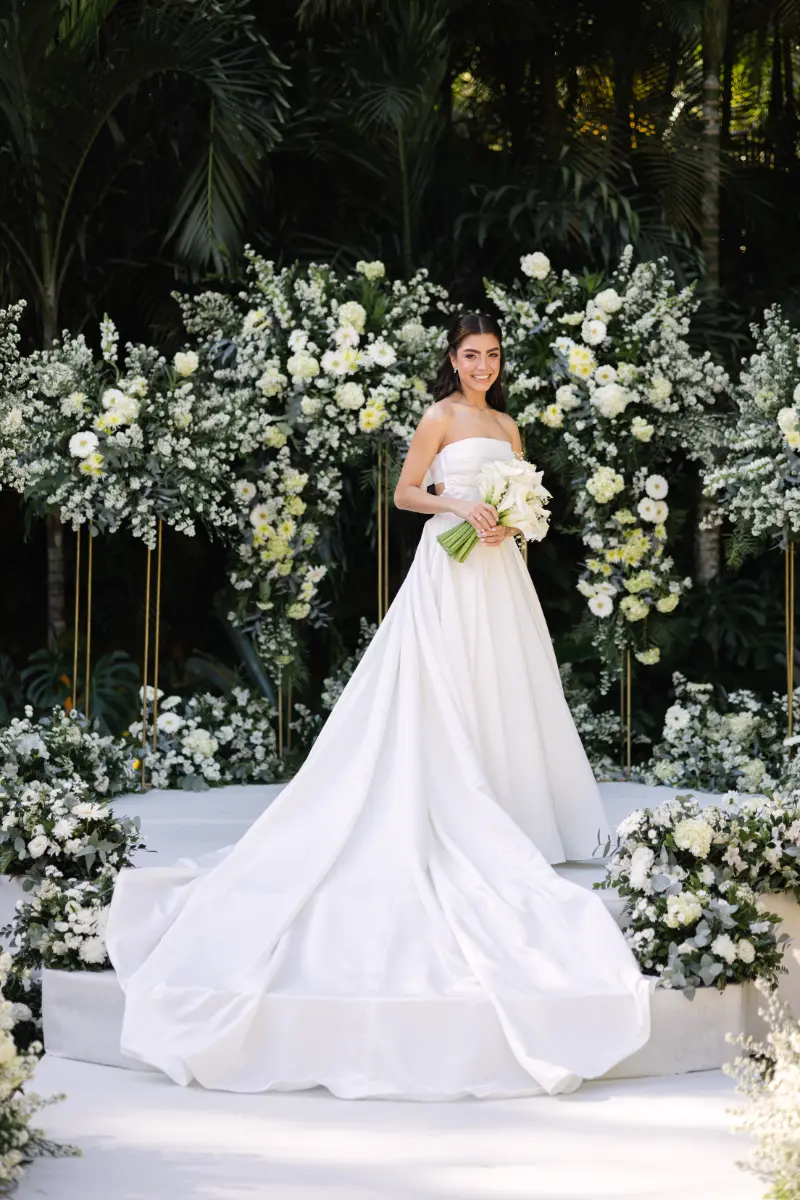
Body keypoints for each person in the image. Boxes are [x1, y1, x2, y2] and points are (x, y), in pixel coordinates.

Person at [106, 312, 650, 1101]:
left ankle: (513, 806)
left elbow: (525, 497)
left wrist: (512, 524)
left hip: (497, 572)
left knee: (507, 685)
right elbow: (405, 493)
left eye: (493, 356)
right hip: (447, 567)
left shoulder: (507, 422)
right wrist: (460, 509)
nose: (483, 367)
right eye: (472, 355)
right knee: (444, 686)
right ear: (452, 360)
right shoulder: (440, 416)